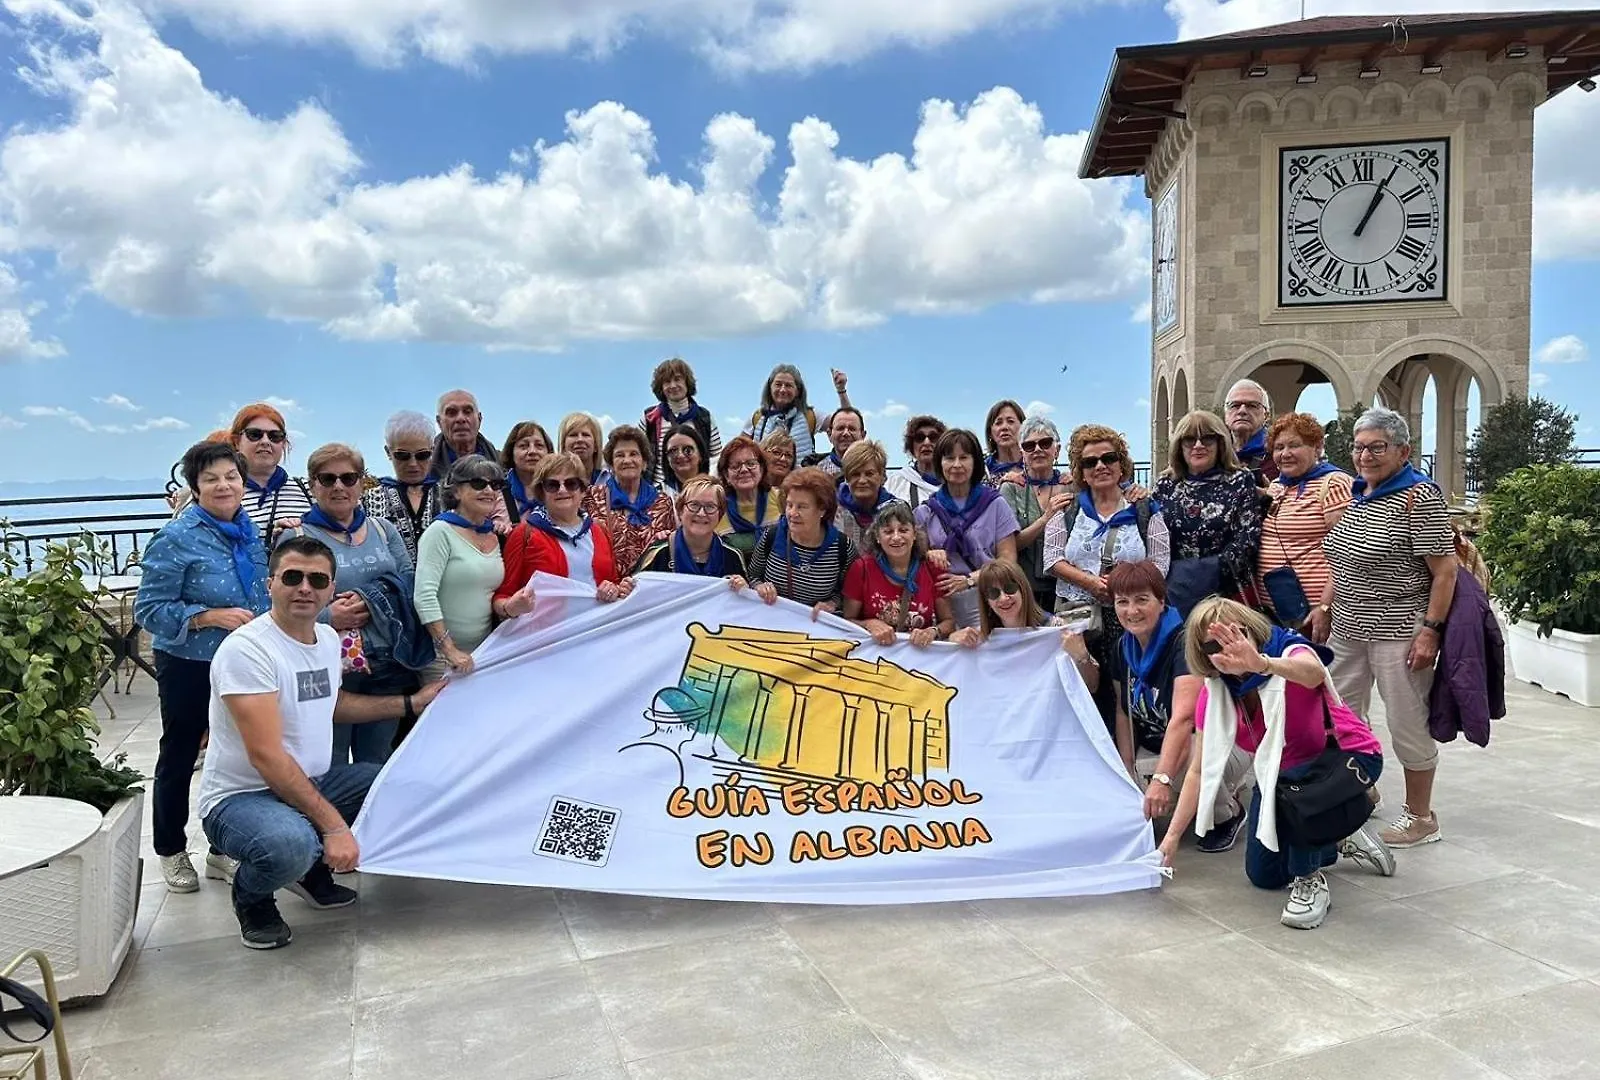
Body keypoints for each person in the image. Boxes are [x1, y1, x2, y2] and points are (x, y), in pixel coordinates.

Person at [198, 535, 445, 950]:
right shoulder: (247, 650)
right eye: (293, 577)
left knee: (391, 785)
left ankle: (310, 871)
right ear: (270, 584)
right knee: (290, 844)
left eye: (318, 579)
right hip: (241, 797)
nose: (305, 588)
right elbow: (267, 756)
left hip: (310, 782)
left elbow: (333, 704)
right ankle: (253, 896)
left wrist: (410, 702)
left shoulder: (328, 639)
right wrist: (333, 827)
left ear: (332, 589)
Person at [1162, 596, 1396, 931]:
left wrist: (1261, 664)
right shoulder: (1215, 692)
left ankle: (1310, 881)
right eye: (1215, 643)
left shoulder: (1287, 652)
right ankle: (1342, 833)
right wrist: (1171, 838)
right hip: (1282, 775)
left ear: (1252, 630)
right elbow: (1199, 770)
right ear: (1203, 653)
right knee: (1265, 875)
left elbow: (1313, 673)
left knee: (1296, 796)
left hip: (1345, 759)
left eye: (1237, 634)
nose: (1231, 647)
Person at [134, 441, 271, 893]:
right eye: (211, 478)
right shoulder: (176, 537)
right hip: (191, 663)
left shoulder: (248, 531)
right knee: (180, 753)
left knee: (234, 757)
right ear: (195, 487)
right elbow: (149, 609)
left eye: (231, 476)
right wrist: (207, 617)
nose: (223, 485)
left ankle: (221, 849)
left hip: (244, 664)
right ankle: (171, 850)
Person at [1321, 407, 1458, 849]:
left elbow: (1445, 572)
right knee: (1342, 716)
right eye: (1359, 447)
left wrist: (1431, 631)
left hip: (1398, 629)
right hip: (1347, 627)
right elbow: (1339, 562)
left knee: (1406, 721)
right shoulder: (1359, 494)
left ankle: (1421, 817)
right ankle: (1363, 787)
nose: (1366, 456)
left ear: (1403, 450)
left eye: (1377, 447)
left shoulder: (1419, 496)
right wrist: (1325, 605)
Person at [278, 443, 426, 768]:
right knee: (327, 763)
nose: (339, 487)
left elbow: (410, 581)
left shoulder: (381, 530)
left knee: (377, 763)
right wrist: (330, 615)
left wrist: (371, 600)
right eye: (327, 479)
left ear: (361, 482)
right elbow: (282, 607)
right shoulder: (298, 537)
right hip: (326, 663)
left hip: (387, 660)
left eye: (348, 478)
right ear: (313, 484)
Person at [1102, 560, 1252, 854]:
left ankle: (1228, 813)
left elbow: (1184, 720)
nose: (1132, 611)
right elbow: (1123, 711)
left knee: (1185, 759)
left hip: (1221, 740)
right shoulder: (1124, 646)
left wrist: (1161, 779)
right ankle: (1199, 793)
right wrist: (1126, 770)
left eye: (1142, 600)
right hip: (1159, 738)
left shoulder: (1184, 643)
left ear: (1161, 600)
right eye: (1123, 602)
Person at [1154, 410, 1263, 619]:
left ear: (1221, 443)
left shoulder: (1240, 480)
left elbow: (1247, 539)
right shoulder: (1165, 484)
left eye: (1207, 438)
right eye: (1189, 439)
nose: (1198, 445)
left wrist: (1203, 573)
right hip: (1173, 595)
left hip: (1224, 595)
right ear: (1179, 445)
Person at [497, 452, 636, 608]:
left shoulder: (599, 530)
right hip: (547, 631)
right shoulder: (523, 534)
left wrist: (616, 589)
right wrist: (510, 607)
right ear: (541, 492)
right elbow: (502, 597)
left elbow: (613, 582)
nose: (562, 490)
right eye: (552, 485)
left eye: (571, 484)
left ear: (583, 490)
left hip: (597, 628)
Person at [1256, 413, 1352, 636]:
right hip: (1277, 614)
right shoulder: (1277, 486)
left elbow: (1346, 554)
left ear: (1317, 447)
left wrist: (1325, 607)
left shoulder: (1335, 484)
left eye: (1294, 445)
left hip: (1316, 615)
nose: (1285, 454)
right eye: (1279, 447)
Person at [915, 429, 1021, 629]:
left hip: (989, 600)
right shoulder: (925, 511)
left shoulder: (996, 504)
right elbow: (914, 560)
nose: (956, 465)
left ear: (975, 462)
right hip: (942, 607)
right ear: (939, 463)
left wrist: (969, 580)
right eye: (949, 458)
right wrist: (928, 554)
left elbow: (1008, 561)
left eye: (964, 457)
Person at [414, 456, 508, 678]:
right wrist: (449, 650)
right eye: (478, 483)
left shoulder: (495, 536)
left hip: (485, 652)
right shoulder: (439, 532)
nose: (488, 490)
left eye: (494, 485)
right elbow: (423, 595)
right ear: (456, 491)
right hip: (442, 658)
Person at [948, 561, 1098, 688]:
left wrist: (1082, 658)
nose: (1003, 598)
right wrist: (952, 643)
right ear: (986, 601)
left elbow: (1092, 685)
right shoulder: (980, 638)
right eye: (994, 593)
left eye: (1009, 589)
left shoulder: (1056, 628)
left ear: (1023, 589)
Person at [749, 467, 859, 619]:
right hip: (772, 623)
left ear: (822, 510)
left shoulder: (843, 547)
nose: (792, 513)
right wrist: (760, 587)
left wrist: (832, 605)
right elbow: (753, 576)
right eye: (789, 505)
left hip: (816, 630)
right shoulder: (772, 536)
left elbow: (849, 593)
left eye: (802, 507)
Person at [842, 502, 954, 646]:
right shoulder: (861, 569)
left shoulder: (933, 567)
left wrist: (932, 632)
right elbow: (847, 622)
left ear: (914, 534)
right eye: (888, 532)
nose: (896, 537)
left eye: (903, 530)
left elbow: (949, 622)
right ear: (877, 537)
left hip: (921, 655)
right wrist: (869, 623)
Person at [1003, 416, 1075, 612]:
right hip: (1024, 590)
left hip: (1066, 589)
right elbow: (1011, 544)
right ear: (1022, 454)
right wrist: (1046, 517)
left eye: (1045, 443)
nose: (1037, 449)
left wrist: (1130, 489)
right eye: (1029, 446)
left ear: (1057, 449)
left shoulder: (1072, 485)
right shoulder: (1011, 488)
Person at [584, 424, 677, 573]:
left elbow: (671, 549)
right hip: (609, 588)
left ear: (644, 463)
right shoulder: (594, 497)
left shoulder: (663, 502)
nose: (627, 460)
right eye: (620, 455)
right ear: (611, 465)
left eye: (633, 454)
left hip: (650, 588)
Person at [363, 411, 444, 565]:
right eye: (402, 456)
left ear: (432, 451)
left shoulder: (451, 496)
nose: (413, 463)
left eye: (422, 455)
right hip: (391, 587)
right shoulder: (368, 499)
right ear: (389, 452)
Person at [634, 477, 750, 581]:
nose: (701, 513)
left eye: (710, 507)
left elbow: (745, 602)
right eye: (694, 505)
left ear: (720, 515)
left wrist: (743, 589)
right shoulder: (658, 554)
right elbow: (633, 594)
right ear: (680, 510)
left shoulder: (732, 556)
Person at [229, 403, 314, 542]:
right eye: (255, 434)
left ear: (283, 443)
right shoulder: (219, 493)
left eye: (275, 436)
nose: (265, 441)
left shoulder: (309, 489)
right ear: (236, 441)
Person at [641, 357, 723, 486]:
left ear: (687, 382)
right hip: (657, 491)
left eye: (677, 379)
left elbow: (716, 457)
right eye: (667, 382)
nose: (673, 385)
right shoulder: (649, 417)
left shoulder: (704, 417)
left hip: (697, 490)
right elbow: (639, 455)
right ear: (661, 387)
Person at [745, 364, 852, 459]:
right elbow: (737, 450)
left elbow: (847, 421)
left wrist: (841, 390)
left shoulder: (810, 416)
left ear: (797, 391)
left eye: (788, 385)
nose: (783, 390)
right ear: (770, 388)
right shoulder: (758, 417)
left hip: (800, 480)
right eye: (778, 384)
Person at [715, 435, 782, 558]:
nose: (744, 470)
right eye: (735, 466)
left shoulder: (781, 499)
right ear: (726, 475)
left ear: (761, 469)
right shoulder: (717, 507)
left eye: (751, 463)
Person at [833, 440, 902, 552]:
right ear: (846, 478)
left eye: (869, 474)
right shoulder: (833, 510)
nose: (862, 480)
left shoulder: (898, 512)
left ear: (883, 477)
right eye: (855, 474)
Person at [430, 390, 499, 480]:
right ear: (439, 422)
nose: (461, 418)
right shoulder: (422, 465)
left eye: (467, 412)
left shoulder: (504, 464)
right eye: (451, 413)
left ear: (479, 419)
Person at [1224, 378, 1277, 484]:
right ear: (1226, 414)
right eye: (1234, 405)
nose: (1242, 411)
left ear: (1266, 415)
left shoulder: (1278, 453)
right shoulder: (1215, 454)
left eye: (1252, 405)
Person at [499, 420, 554, 523]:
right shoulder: (496, 492)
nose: (532, 451)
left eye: (539, 445)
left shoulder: (560, 490)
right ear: (511, 452)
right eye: (523, 446)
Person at [886, 415, 945, 510]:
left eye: (933, 437)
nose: (926, 442)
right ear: (911, 446)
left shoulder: (955, 482)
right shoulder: (896, 482)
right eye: (919, 437)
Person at [803, 407, 865, 477]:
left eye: (852, 429)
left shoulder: (875, 468)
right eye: (840, 428)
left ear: (863, 435)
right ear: (829, 434)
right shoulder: (815, 471)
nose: (846, 433)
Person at [660, 423, 712, 497]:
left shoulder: (717, 492)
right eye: (673, 451)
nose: (680, 455)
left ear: (701, 454)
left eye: (688, 450)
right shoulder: (657, 496)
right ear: (667, 459)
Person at [982, 399, 1026, 485]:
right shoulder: (982, 470)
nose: (1004, 427)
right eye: (998, 423)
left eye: (1010, 421)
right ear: (990, 433)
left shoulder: (1034, 464)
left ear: (1023, 427)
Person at [557, 412, 608, 486]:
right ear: (563, 445)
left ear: (596, 446)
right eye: (573, 435)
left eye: (585, 435)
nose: (580, 439)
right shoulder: (552, 482)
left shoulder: (609, 480)